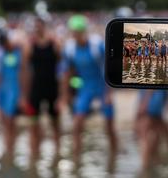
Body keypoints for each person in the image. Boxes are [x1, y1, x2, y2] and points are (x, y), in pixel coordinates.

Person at [59, 15, 117, 160]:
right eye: (73, 32)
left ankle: (114, 154)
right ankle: (76, 157)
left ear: (84, 31)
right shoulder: (70, 49)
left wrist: (109, 93)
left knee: (109, 126)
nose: (76, 35)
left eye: (78, 32)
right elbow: (67, 74)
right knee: (77, 123)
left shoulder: (97, 46)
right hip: (85, 87)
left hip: (102, 86)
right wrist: (66, 96)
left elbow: (109, 68)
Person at [27, 17, 61, 158]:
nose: (37, 29)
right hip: (36, 87)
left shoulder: (54, 43)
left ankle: (57, 151)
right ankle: (35, 152)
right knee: (34, 122)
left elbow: (62, 62)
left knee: (54, 121)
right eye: (35, 27)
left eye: (39, 26)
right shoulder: (31, 44)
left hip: (51, 86)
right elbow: (26, 68)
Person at [0, 31, 30, 155]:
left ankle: (10, 147)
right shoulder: (1, 54)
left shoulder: (19, 51)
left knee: (10, 119)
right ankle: (9, 146)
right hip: (4, 89)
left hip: (14, 88)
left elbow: (23, 73)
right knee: (4, 120)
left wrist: (23, 95)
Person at [136, 90, 168, 168]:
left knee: (146, 139)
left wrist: (142, 106)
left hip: (150, 107)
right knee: (155, 138)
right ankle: (154, 164)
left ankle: (146, 167)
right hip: (154, 107)